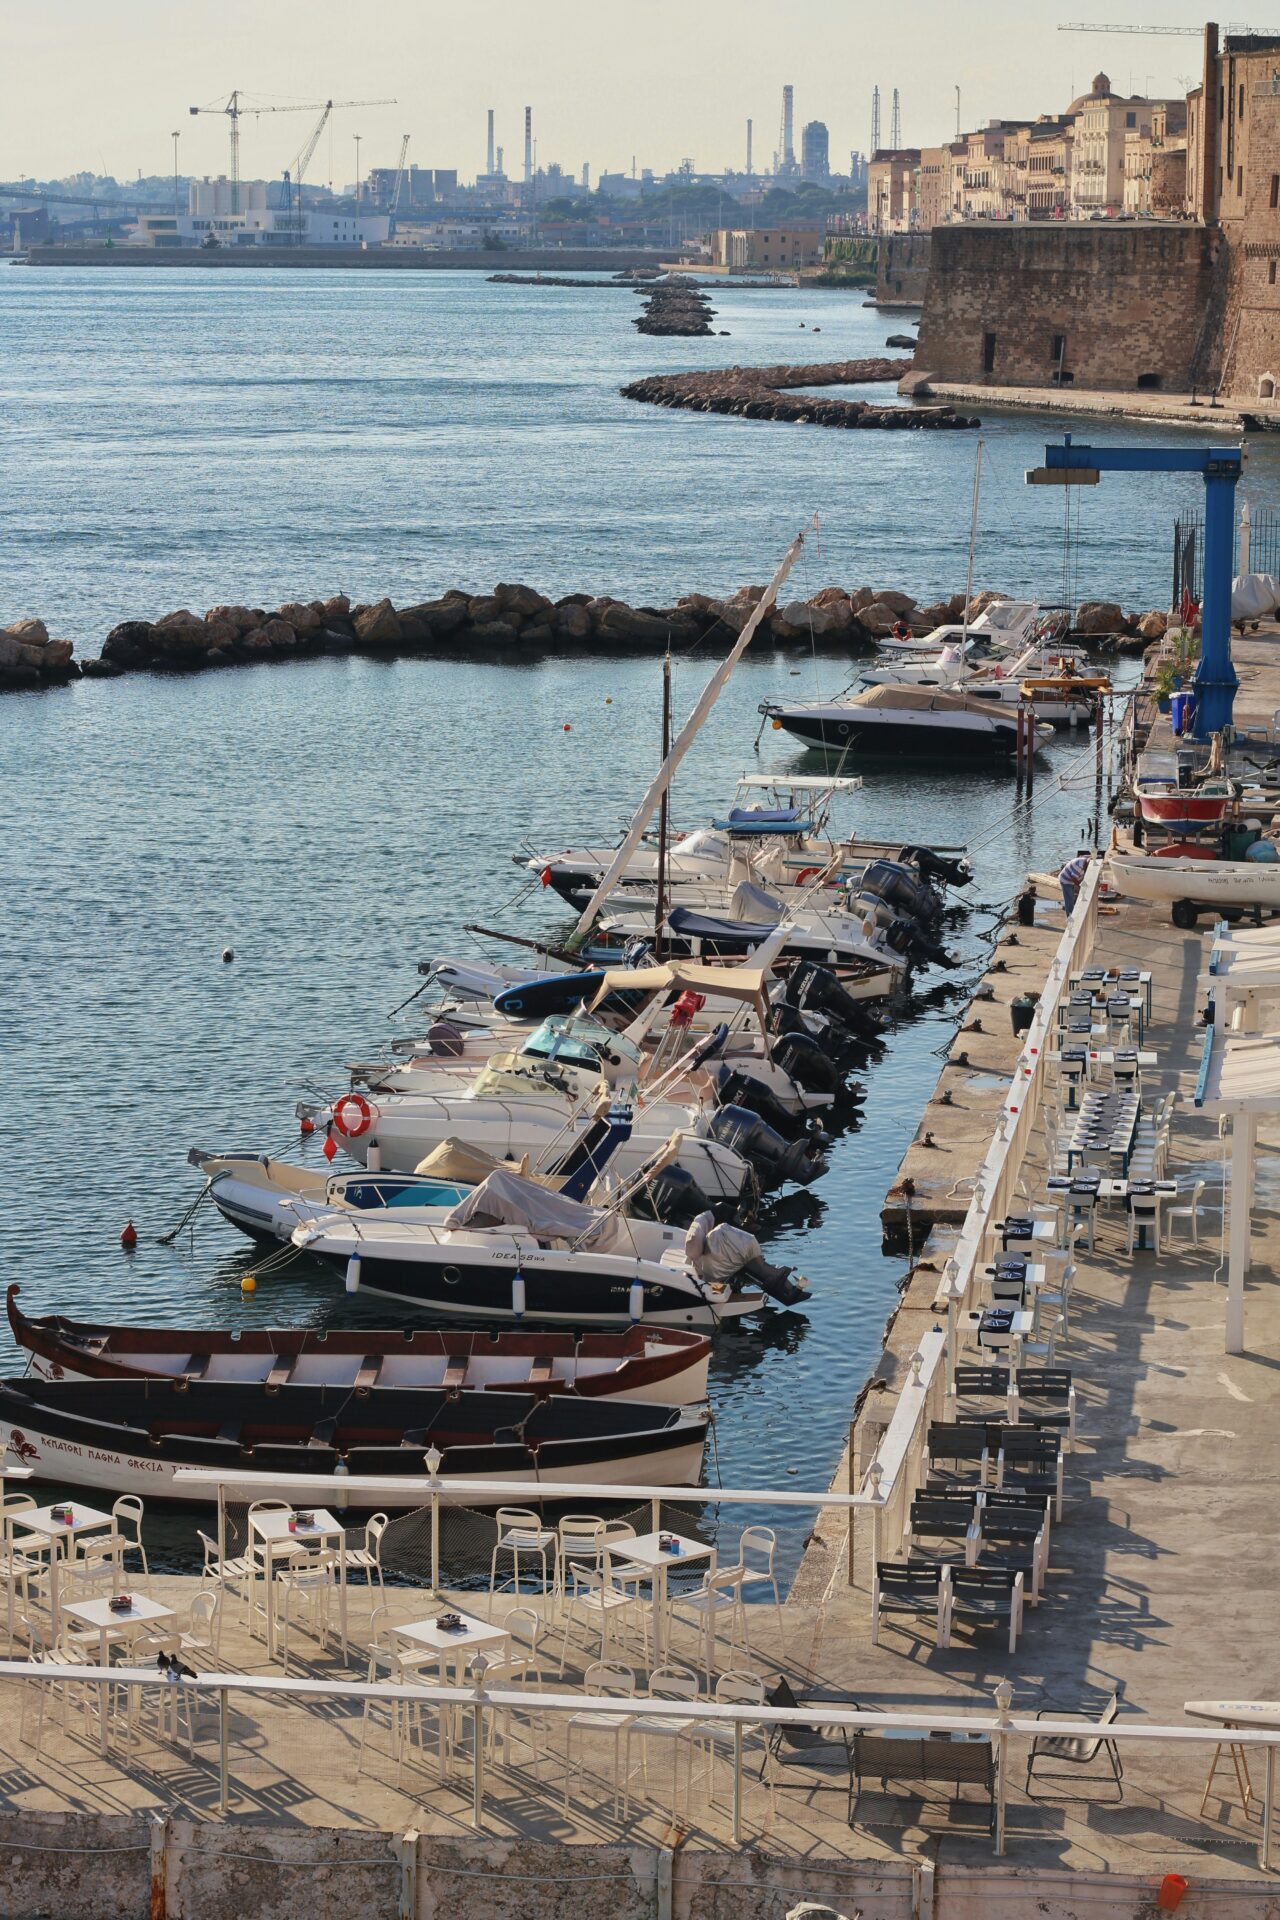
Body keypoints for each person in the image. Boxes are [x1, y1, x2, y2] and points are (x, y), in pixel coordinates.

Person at [1059, 850, 1091, 917]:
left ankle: (1071, 914)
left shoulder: (1085, 861)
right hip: (1065, 881)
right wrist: (1080, 886)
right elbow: (1073, 878)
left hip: (1070, 881)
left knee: (1071, 898)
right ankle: (1070, 919)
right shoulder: (1079, 865)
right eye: (1087, 868)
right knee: (1069, 900)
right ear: (1086, 865)